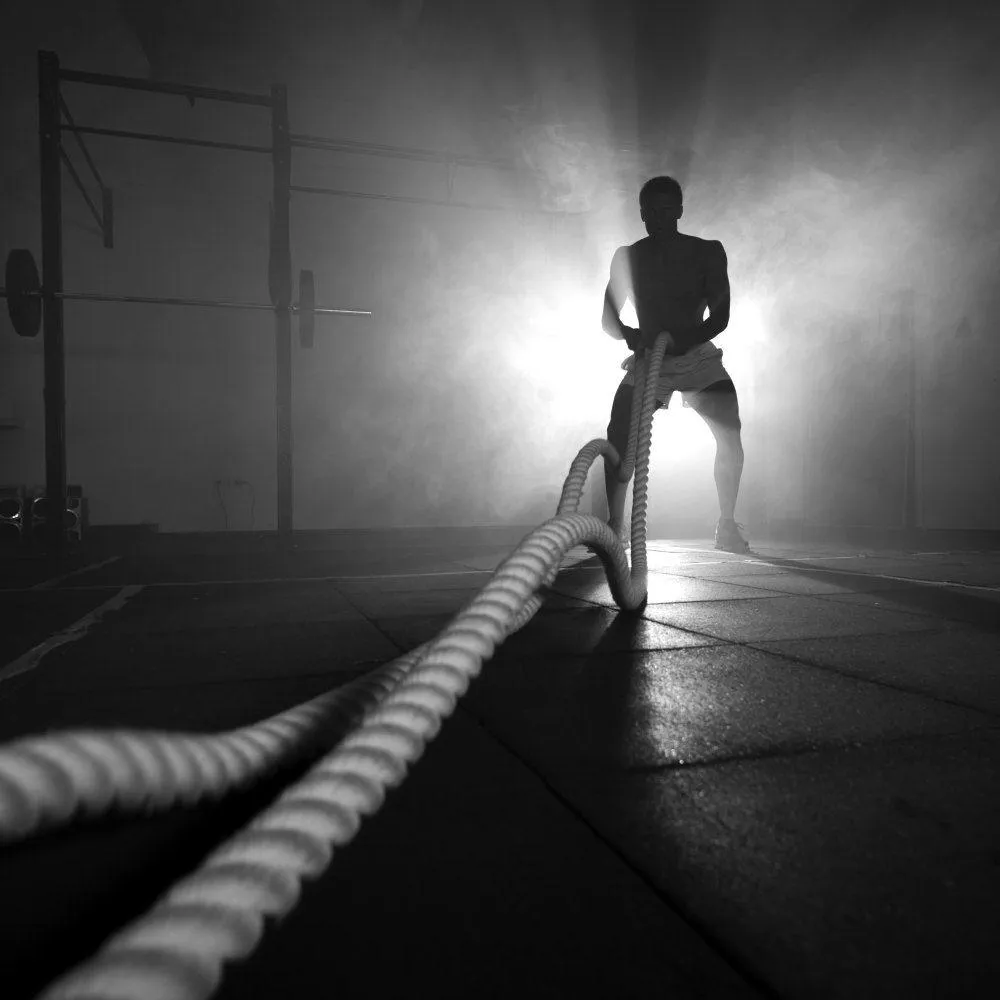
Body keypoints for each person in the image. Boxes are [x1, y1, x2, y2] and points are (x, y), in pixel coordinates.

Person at [602, 175, 749, 553]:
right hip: (651, 360)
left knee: (729, 434)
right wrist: (631, 335)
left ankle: (727, 523)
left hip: (697, 356)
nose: (660, 219)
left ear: (680, 211)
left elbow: (720, 317)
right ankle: (614, 526)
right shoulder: (628, 257)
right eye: (652, 212)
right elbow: (608, 319)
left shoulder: (708, 252)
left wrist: (686, 339)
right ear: (642, 214)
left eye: (668, 210)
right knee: (619, 434)